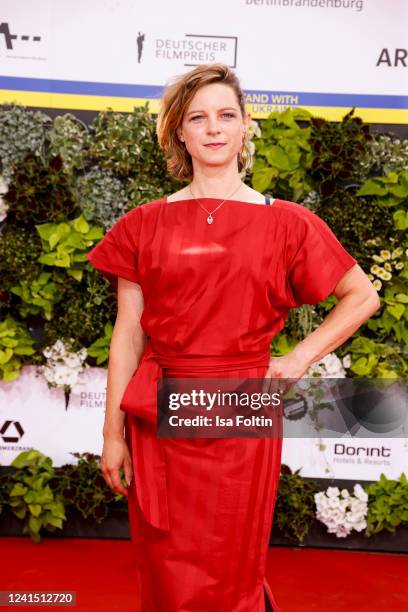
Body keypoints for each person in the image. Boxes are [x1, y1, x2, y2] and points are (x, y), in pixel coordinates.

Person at [85, 63, 380, 612]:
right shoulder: (142, 225)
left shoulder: (288, 223)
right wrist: (112, 435)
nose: (214, 128)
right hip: (162, 411)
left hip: (241, 406)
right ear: (180, 132)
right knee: (165, 561)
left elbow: (362, 296)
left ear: (246, 127)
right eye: (198, 118)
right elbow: (127, 335)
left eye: (226, 115)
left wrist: (297, 359)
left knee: (230, 562)